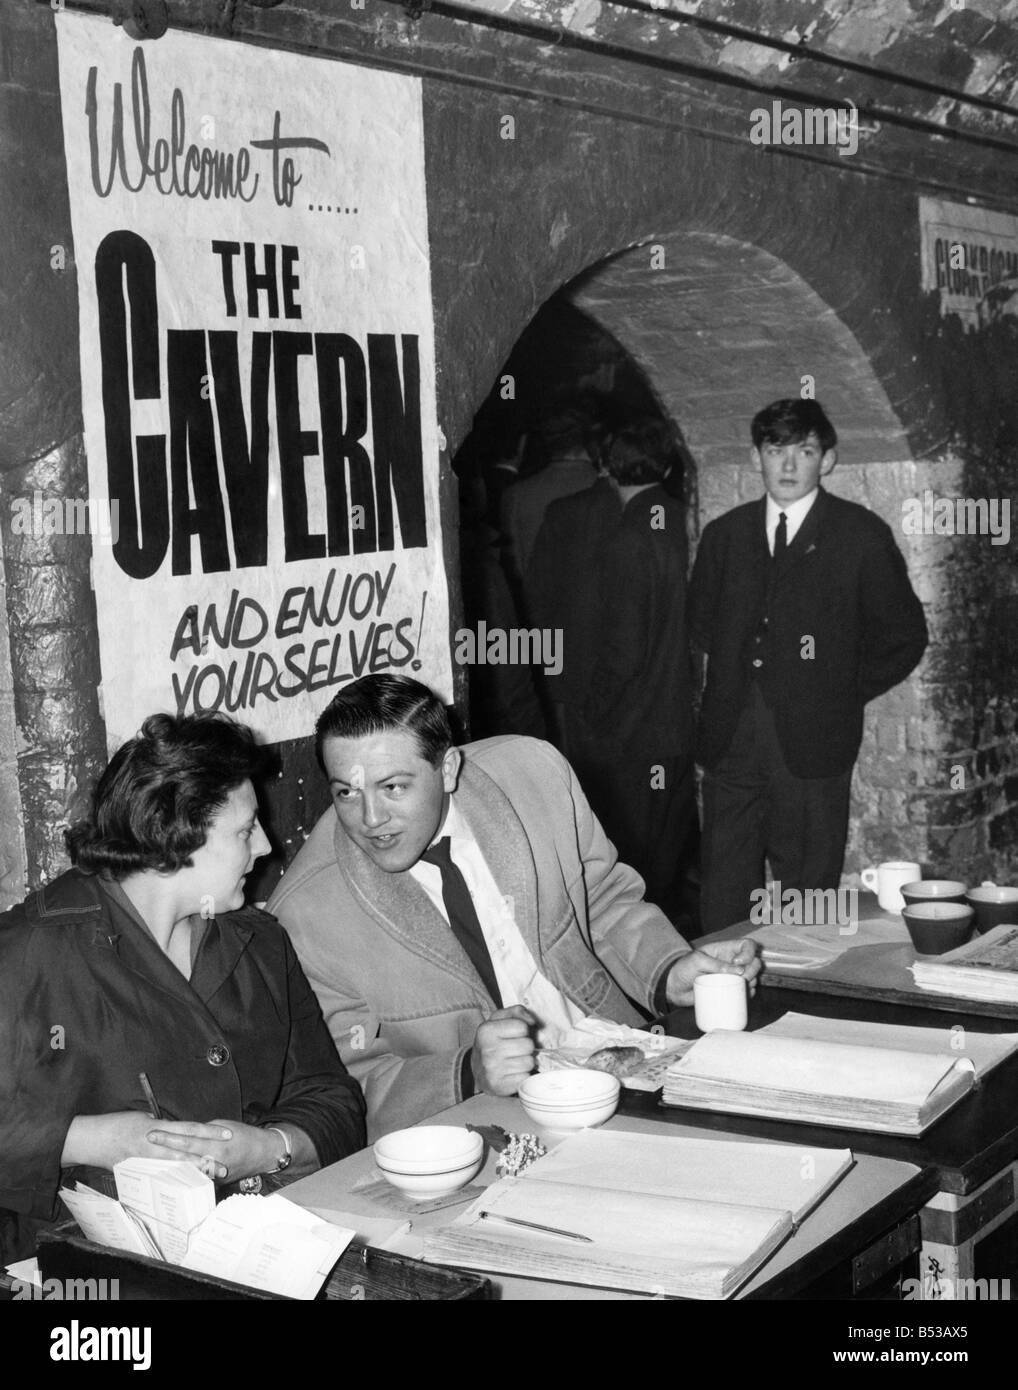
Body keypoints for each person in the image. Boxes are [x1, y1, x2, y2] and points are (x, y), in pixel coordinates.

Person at [268, 674, 759, 1139]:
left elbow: (601, 898)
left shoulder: (534, 775)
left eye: (393, 787)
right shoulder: (308, 911)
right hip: (477, 1125)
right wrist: (468, 1070)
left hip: (619, 1069)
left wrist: (667, 968)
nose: (371, 818)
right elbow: (349, 1087)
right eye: (346, 793)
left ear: (448, 769)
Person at [0, 713, 366, 1265]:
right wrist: (93, 1140)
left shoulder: (259, 943)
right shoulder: (33, 949)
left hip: (254, 1252)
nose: (265, 846)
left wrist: (269, 1149)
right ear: (177, 837)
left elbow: (335, 1102)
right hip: (83, 1275)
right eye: (245, 830)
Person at [687, 398, 928, 934]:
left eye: (805, 451)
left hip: (814, 741)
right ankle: (722, 1001)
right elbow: (701, 627)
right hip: (731, 739)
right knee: (725, 885)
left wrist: (840, 690)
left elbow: (905, 637)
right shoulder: (724, 536)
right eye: (777, 451)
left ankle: (801, 1001)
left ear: (829, 460)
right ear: (757, 459)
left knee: (807, 892)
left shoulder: (860, 535)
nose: (790, 466)